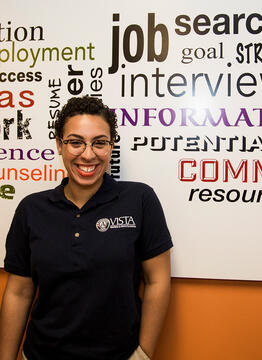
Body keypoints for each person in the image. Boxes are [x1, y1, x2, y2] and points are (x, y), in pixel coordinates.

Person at [0, 96, 173, 360]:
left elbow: (157, 280)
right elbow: (19, 291)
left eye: (99, 143)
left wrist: (143, 355)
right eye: (76, 142)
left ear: (111, 146)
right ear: (60, 145)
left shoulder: (139, 200)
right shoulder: (31, 209)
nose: (88, 154)